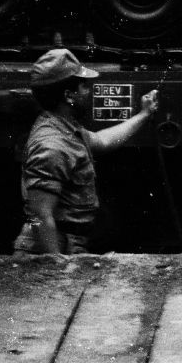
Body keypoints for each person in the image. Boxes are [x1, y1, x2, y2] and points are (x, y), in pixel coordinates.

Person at [14, 48, 160, 255]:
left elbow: (101, 140)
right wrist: (56, 267)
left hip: (66, 242)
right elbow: (39, 216)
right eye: (83, 86)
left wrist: (144, 114)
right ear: (68, 95)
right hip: (49, 248)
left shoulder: (61, 126)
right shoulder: (52, 145)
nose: (88, 91)